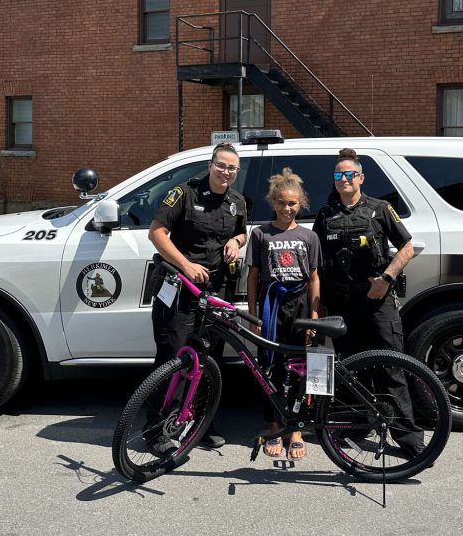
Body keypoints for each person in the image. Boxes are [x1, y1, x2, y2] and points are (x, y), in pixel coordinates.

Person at [312, 146, 423, 457]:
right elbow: (317, 263)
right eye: (338, 175)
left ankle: (408, 437)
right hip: (342, 303)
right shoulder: (325, 214)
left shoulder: (380, 209)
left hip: (377, 302)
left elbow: (407, 247)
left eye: (349, 174)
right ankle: (357, 425)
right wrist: (318, 302)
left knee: (391, 367)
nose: (344, 179)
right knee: (350, 369)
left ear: (361, 177)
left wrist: (385, 279)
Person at [148, 141, 247, 451]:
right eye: (221, 165)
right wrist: (186, 265)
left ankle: (200, 425)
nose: (226, 172)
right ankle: (158, 431)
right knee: (173, 359)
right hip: (179, 289)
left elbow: (242, 230)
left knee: (208, 360)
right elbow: (156, 233)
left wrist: (236, 241)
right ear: (210, 165)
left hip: (215, 292)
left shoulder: (237, 202)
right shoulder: (185, 194)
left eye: (232, 168)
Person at [246, 168, 321, 462]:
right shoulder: (260, 234)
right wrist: (253, 316)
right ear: (273, 202)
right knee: (271, 367)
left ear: (299, 204)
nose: (286, 208)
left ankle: (297, 430)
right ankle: (276, 427)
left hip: (301, 304)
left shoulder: (309, 236)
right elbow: (252, 277)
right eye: (281, 202)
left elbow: (314, 276)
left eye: (292, 203)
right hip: (271, 304)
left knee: (301, 367)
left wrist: (314, 313)